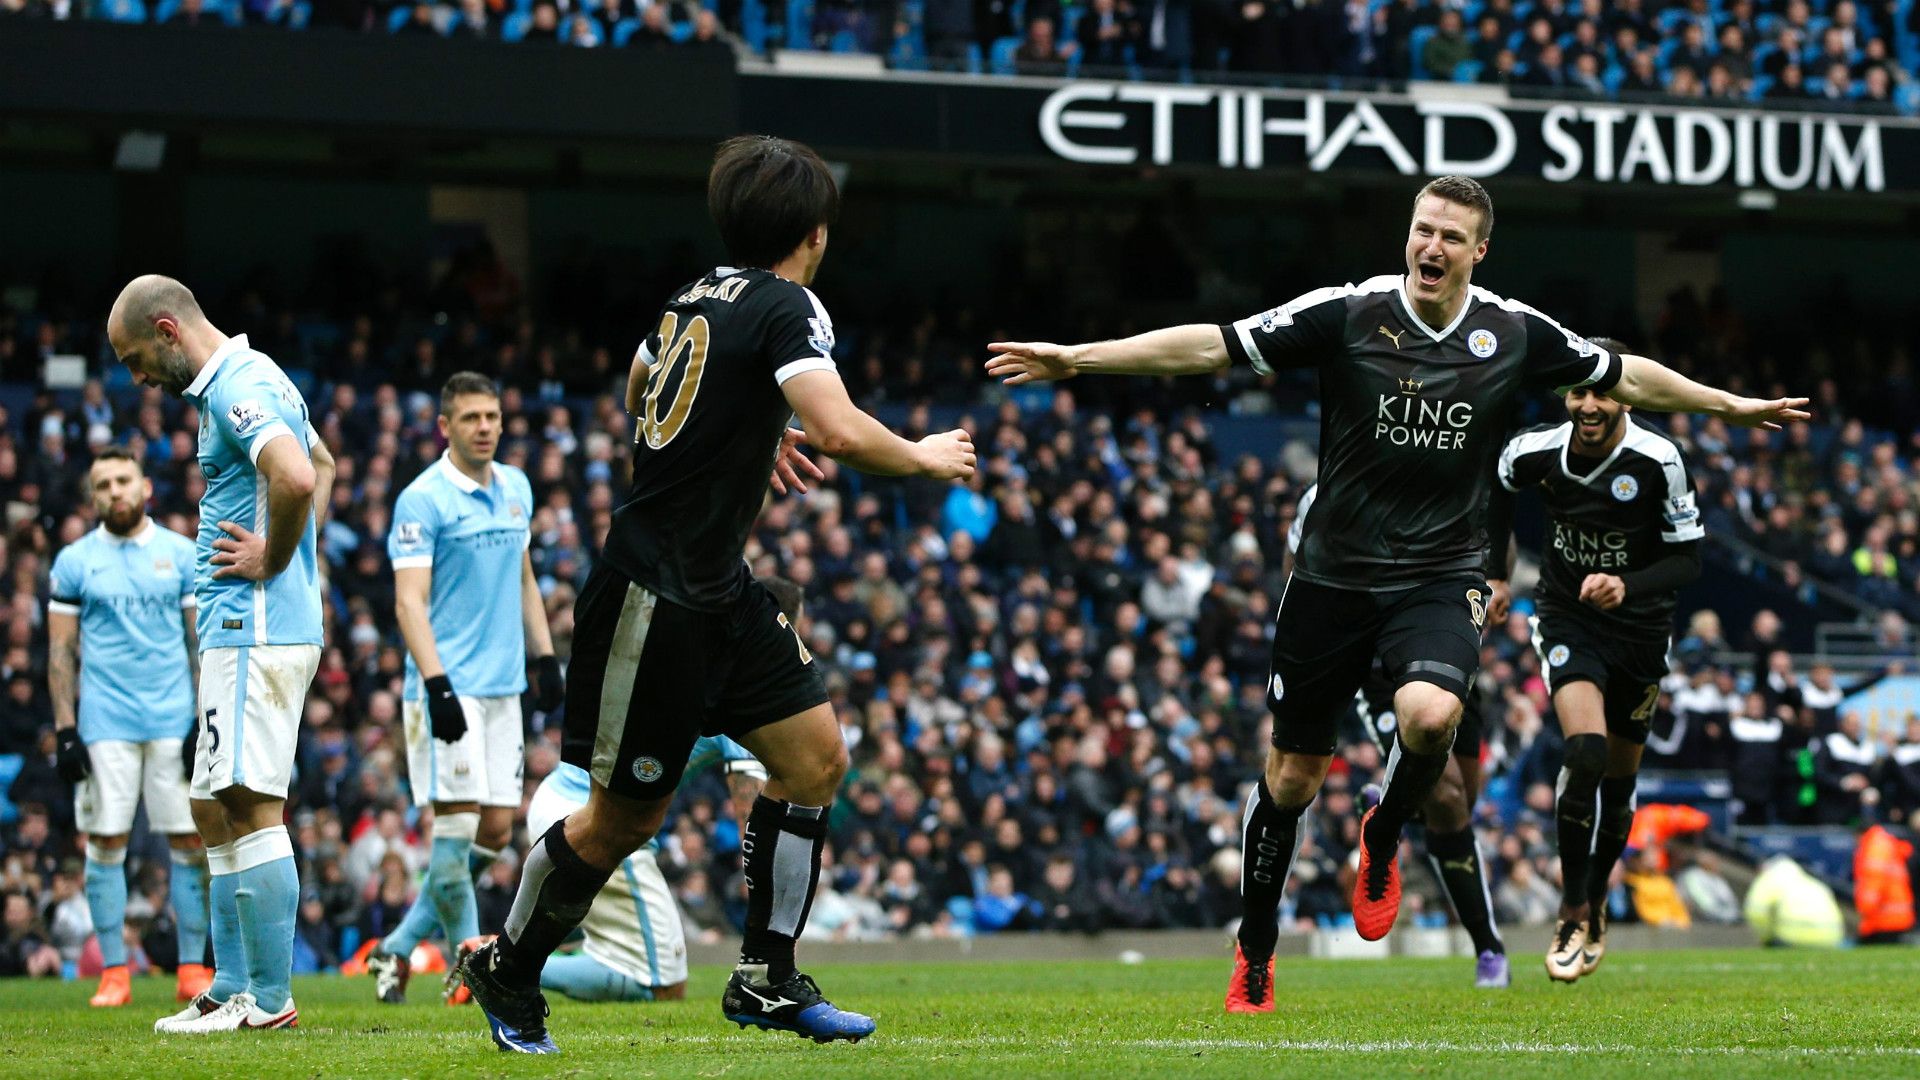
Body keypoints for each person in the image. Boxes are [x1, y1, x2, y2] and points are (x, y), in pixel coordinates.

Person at [984, 174, 1807, 1015]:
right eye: (1422, 230)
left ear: (1478, 251)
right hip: (1331, 578)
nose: (1431, 248)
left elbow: (1629, 374)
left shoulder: (1515, 333)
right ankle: (1256, 949)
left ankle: (1382, 839)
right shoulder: (1349, 313)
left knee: (1429, 718)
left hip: (1439, 576)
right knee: (1293, 779)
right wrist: (1079, 358)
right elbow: (1215, 345)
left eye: (1452, 237)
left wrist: (1728, 406)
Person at [457, 135, 974, 1054]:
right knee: (621, 819)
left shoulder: (694, 294)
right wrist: (926, 457)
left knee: (815, 760)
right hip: (653, 597)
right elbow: (841, 430)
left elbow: (643, 379)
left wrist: (744, 422)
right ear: (814, 233)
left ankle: (766, 979)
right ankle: (509, 967)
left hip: (717, 590)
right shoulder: (789, 304)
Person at [107, 275, 333, 1034]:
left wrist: (276, 558)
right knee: (211, 802)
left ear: (168, 329)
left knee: (249, 802)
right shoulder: (246, 382)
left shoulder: (240, 385)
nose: (136, 377)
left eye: (136, 358)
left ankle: (268, 1003)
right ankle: (230, 984)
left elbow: (298, 474)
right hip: (244, 628)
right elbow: (325, 461)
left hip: (256, 627)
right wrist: (300, 559)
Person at [1488, 342, 1704, 981]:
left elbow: (1689, 559)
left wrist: (1626, 584)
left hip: (1638, 629)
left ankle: (1599, 897)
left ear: (1625, 397)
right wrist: (1495, 573)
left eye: (1600, 393)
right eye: (1578, 392)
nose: (1588, 404)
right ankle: (1570, 906)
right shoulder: (1535, 452)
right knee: (1583, 752)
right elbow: (1495, 494)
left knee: (1618, 781)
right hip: (1566, 616)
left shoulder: (1658, 459)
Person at [363, 373, 564, 1006]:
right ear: (445, 427)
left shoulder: (517, 489)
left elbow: (526, 577)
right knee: (452, 835)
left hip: (503, 689)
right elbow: (408, 603)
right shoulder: (422, 501)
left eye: (493, 417)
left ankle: (395, 947)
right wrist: (436, 685)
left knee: (497, 833)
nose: (485, 426)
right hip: (448, 689)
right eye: (471, 417)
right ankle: (470, 964)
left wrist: (545, 655)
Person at [1295, 485, 1509, 989]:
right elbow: (1301, 574)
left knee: (1457, 807)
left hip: (1448, 646)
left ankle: (1395, 800)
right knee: (1449, 796)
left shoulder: (1452, 467)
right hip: (1379, 669)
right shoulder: (1325, 496)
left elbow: (1499, 526)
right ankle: (1489, 949)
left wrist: (1498, 578)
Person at [47, 447, 210, 1008]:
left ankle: (191, 969)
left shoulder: (181, 554)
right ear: (93, 496)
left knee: (189, 843)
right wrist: (66, 729)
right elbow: (60, 651)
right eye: (103, 484)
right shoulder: (74, 561)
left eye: (123, 480)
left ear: (145, 487)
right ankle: (114, 972)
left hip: (171, 719)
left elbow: (198, 642)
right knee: (105, 841)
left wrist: (201, 718)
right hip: (104, 723)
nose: (115, 491)